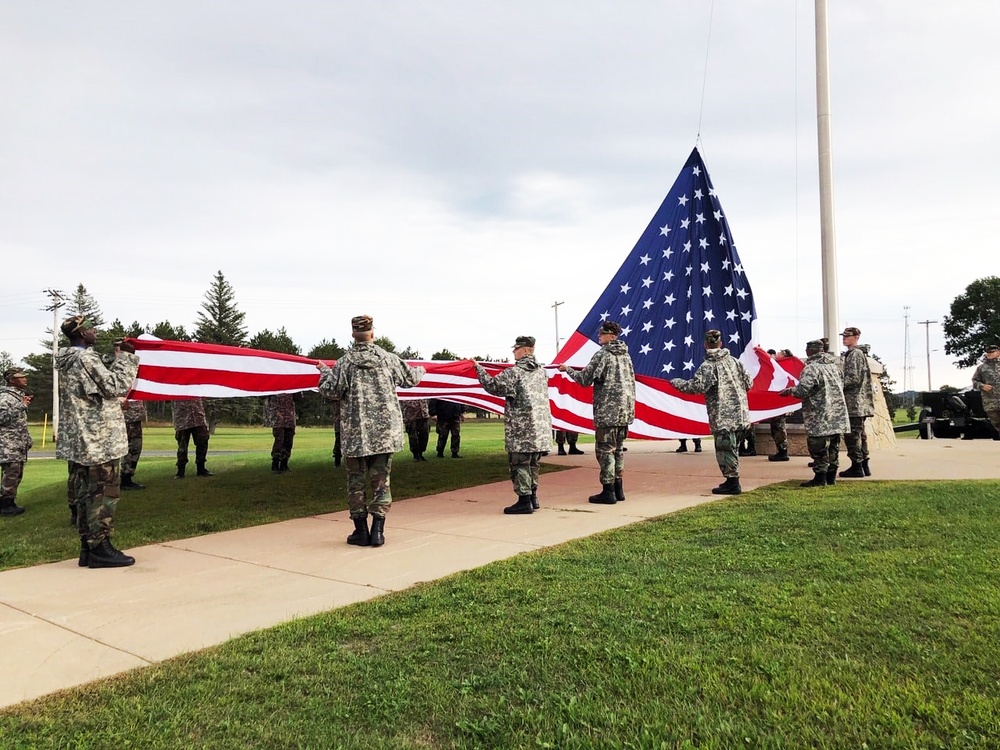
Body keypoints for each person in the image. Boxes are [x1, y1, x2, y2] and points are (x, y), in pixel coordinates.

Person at [316, 315, 425, 547]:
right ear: (373, 333)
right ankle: (378, 531)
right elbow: (410, 379)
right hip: (385, 435)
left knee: (355, 482)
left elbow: (330, 390)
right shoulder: (388, 359)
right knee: (381, 481)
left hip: (356, 435)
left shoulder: (344, 363)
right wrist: (422, 368)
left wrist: (325, 371)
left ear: (353, 335)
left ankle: (360, 532)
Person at [55, 315, 140, 568]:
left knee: (85, 494)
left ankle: (88, 548)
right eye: (89, 328)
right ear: (81, 334)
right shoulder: (85, 358)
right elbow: (115, 385)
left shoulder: (69, 359)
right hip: (98, 438)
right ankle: (100, 548)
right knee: (102, 493)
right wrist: (126, 357)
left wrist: (113, 357)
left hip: (82, 439)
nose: (94, 331)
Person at [557, 320, 636, 504]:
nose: (599, 336)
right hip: (624, 412)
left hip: (608, 412)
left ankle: (608, 491)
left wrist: (567, 369)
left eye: (602, 334)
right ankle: (618, 488)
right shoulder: (626, 356)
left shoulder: (603, 354)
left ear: (611, 336)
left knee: (605, 451)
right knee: (618, 451)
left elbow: (585, 379)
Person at [472, 336, 553, 514]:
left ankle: (524, 501)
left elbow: (493, 386)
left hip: (522, 429)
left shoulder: (515, 372)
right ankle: (533, 497)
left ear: (525, 350)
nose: (513, 352)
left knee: (520, 464)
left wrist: (478, 369)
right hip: (540, 430)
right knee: (533, 464)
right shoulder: (541, 372)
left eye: (516, 349)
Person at [669, 329, 752, 495]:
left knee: (725, 450)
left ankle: (732, 482)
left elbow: (696, 387)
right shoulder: (735, 362)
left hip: (722, 416)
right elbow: (749, 383)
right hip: (741, 416)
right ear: (720, 343)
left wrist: (676, 382)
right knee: (733, 449)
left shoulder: (708, 366)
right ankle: (732, 480)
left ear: (706, 345)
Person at [780, 340, 850, 486]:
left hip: (819, 416)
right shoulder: (834, 367)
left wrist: (789, 391)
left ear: (809, 351)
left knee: (818, 448)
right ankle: (831, 477)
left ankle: (820, 478)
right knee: (833, 448)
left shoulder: (812, 368)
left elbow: (802, 390)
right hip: (837, 415)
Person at [838, 326, 874, 478]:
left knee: (852, 435)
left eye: (848, 336)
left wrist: (837, 383)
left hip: (854, 402)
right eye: (843, 336)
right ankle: (864, 465)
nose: (844, 338)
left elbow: (853, 378)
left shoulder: (854, 354)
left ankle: (857, 465)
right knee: (860, 435)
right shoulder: (855, 354)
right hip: (858, 403)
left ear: (856, 337)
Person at [0, 367, 33, 517]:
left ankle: (10, 502)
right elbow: (2, 418)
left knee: (16, 473)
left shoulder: (17, 396)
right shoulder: (5, 397)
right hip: (8, 443)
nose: (24, 379)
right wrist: (22, 406)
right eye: (21, 377)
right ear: (11, 380)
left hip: (18, 442)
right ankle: (5, 505)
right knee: (11, 473)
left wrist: (27, 439)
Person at [171, 397, 213, 478]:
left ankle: (201, 469)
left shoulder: (197, 386)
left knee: (203, 442)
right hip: (182, 419)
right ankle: (180, 472)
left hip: (198, 417)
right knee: (182, 447)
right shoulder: (174, 386)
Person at [767, 349, 793, 462]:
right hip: (777, 404)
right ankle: (780, 450)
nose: (777, 354)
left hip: (782, 405)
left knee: (779, 427)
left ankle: (783, 451)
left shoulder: (784, 368)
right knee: (775, 427)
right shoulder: (778, 367)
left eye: (780, 353)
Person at [263, 393, 298, 472]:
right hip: (277, 417)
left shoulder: (292, 385)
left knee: (289, 441)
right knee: (279, 440)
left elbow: (298, 397)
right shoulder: (273, 383)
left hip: (289, 416)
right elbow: (263, 395)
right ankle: (275, 464)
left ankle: (284, 464)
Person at [972, 343, 1000, 439]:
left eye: (992, 352)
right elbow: (975, 381)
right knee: (996, 423)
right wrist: (982, 386)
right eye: (988, 353)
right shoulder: (981, 368)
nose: (990, 354)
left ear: (998, 352)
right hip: (990, 401)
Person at [119, 396, 147, 490]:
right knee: (132, 448)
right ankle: (125, 479)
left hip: (135, 418)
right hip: (128, 418)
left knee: (135, 447)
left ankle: (127, 477)